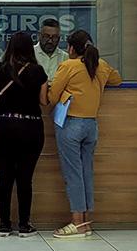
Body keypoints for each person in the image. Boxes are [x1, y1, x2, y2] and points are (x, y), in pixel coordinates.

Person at [48, 30, 122, 238]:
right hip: (91, 125)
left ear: (71, 48)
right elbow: (117, 80)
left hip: (70, 124)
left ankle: (77, 222)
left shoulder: (68, 66)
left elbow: (52, 96)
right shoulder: (101, 65)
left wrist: (63, 92)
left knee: (73, 174)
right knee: (86, 172)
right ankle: (87, 221)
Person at [0, 32, 49, 237]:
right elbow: (44, 101)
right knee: (25, 178)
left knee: (5, 176)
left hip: (4, 126)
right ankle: (24, 225)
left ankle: (4, 225)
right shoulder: (38, 71)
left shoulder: (0, 68)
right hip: (30, 127)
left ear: (9, 47)